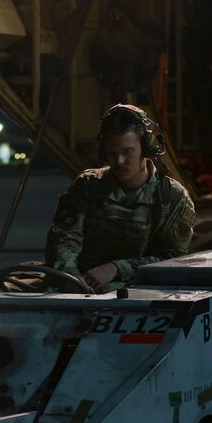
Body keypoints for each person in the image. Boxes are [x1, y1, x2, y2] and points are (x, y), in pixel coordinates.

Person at [45, 104, 196, 293]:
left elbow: (173, 259)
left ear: (146, 149)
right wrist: (70, 278)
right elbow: (64, 237)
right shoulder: (89, 185)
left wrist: (116, 269)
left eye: (127, 152)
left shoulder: (172, 198)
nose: (119, 162)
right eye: (112, 153)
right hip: (79, 284)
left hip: (136, 287)